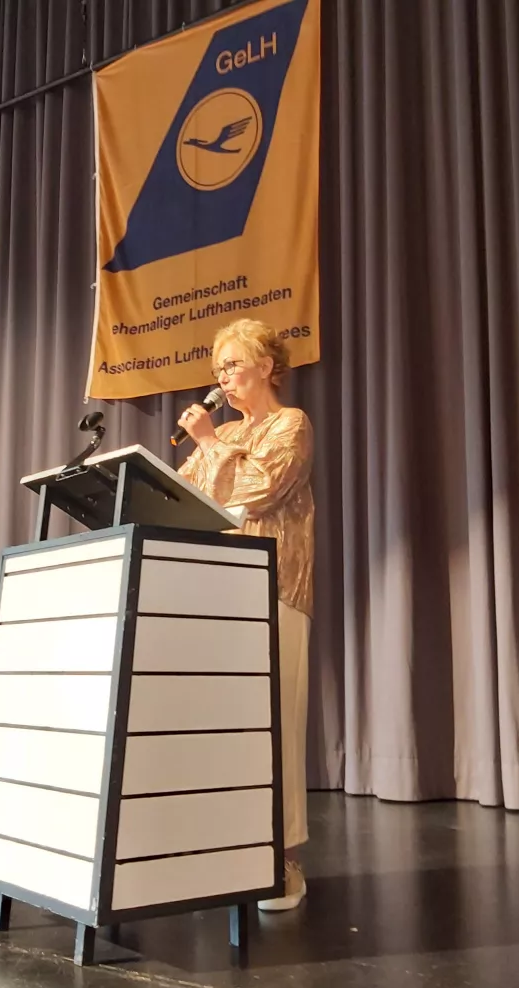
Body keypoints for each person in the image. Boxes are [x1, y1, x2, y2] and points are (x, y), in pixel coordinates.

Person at [176, 318, 314, 912]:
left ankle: (283, 861)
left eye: (231, 365)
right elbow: (184, 496)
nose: (222, 377)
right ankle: (225, 847)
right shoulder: (226, 430)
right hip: (217, 595)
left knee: (274, 726)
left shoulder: (290, 424)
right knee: (223, 727)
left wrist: (210, 445)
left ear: (266, 365)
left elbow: (257, 489)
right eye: (217, 370)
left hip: (275, 589)